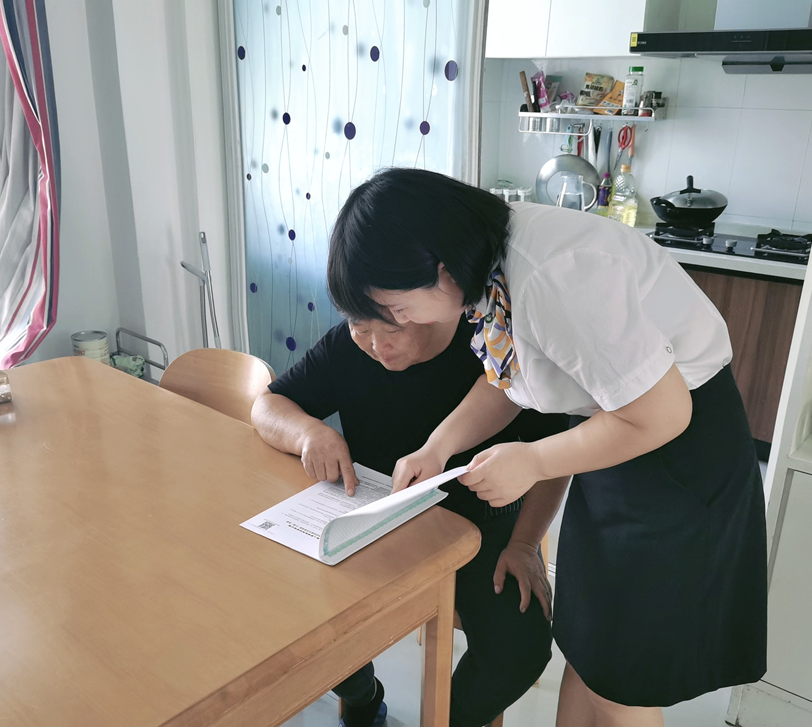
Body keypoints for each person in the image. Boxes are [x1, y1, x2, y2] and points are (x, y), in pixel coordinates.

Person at [325, 168, 768, 727]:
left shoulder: (551, 276)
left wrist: (534, 461)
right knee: (589, 649)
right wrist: (439, 447)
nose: (396, 324)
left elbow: (663, 414)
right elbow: (510, 375)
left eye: (394, 309)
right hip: (617, 434)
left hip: (675, 460)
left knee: (622, 681)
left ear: (437, 270)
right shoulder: (486, 265)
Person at [251, 312, 569, 727]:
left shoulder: (487, 346)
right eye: (360, 327)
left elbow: (553, 454)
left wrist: (525, 543)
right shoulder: (346, 345)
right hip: (372, 519)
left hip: (481, 526)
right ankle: (364, 697)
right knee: (294, 607)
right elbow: (267, 405)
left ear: (426, 304)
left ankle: (450, 720)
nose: (377, 346)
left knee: (519, 649)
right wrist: (309, 432)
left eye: (392, 329)